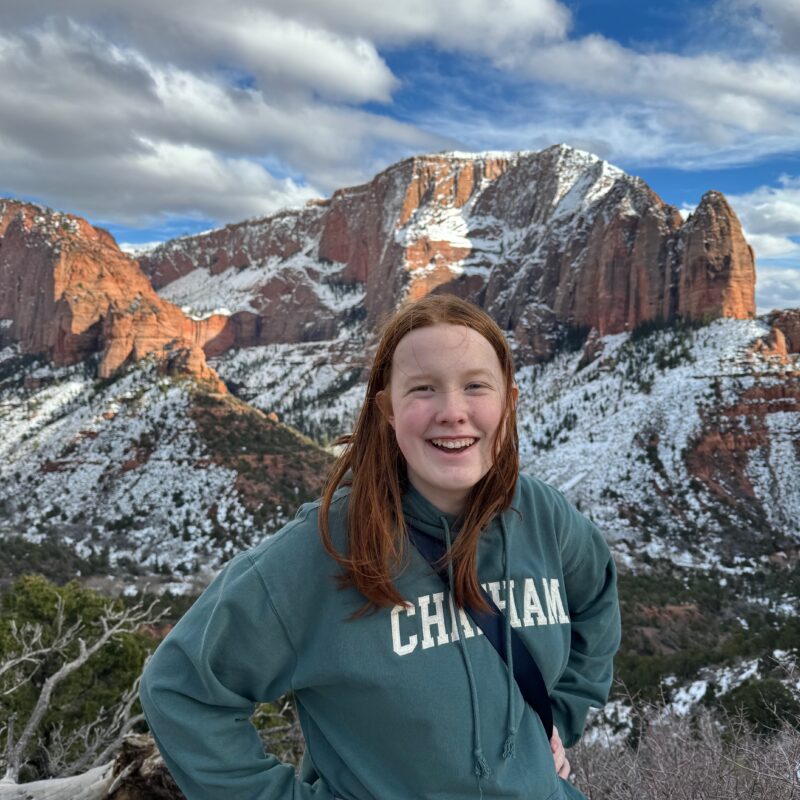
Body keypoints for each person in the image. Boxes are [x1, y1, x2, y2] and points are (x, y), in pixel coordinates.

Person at [140, 294, 621, 800]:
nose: (453, 412)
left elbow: (595, 599)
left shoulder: (542, 514)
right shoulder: (323, 547)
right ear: (387, 410)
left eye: (476, 386)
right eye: (423, 390)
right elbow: (180, 689)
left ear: (509, 402)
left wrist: (558, 716)